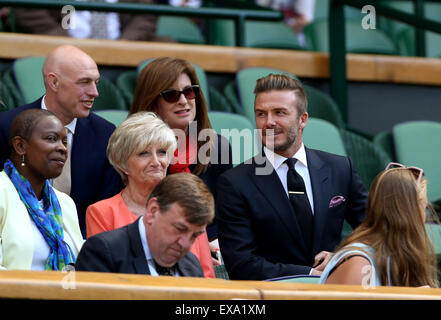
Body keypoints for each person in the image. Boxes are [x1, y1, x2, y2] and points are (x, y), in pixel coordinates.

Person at [216, 73, 368, 280]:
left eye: (279, 113)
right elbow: (241, 264)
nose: (268, 122)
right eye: (261, 114)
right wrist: (310, 274)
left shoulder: (340, 168)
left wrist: (342, 257)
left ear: (302, 119)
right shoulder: (234, 182)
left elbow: (375, 232)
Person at [0, 45, 122, 238]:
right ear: (54, 82)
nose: (95, 92)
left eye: (96, 82)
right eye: (84, 82)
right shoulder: (7, 126)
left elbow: (105, 206)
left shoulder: (105, 134)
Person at [86, 111, 216, 278]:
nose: (156, 162)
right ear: (123, 164)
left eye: (162, 152)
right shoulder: (102, 213)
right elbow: (103, 280)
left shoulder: (187, 206)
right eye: (144, 153)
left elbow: (207, 277)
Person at [129, 57, 232, 241]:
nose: (183, 101)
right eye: (171, 95)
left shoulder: (217, 147)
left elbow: (225, 217)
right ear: (152, 102)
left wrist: (204, 245)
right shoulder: (133, 152)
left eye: (189, 92)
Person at [320, 163, 439, 288]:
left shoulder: (394, 257)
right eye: (424, 208)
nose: (425, 217)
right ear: (409, 213)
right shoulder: (359, 263)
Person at [76, 173, 214, 277]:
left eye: (194, 236)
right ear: (153, 211)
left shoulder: (191, 266)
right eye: (179, 229)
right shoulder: (103, 252)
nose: (185, 244)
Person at [0, 109, 84, 270]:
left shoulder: (64, 203)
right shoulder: (2, 192)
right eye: (51, 139)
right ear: (20, 146)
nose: (62, 148)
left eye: (64, 142)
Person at [14, 0, 165, 42]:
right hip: (64, 50)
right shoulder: (66, 10)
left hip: (120, 52)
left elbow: (146, 15)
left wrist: (125, 42)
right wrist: (63, 41)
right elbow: (28, 9)